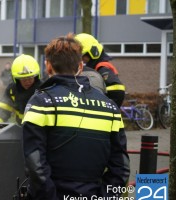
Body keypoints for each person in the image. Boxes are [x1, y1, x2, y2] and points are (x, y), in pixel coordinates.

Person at [22, 33, 130, 200]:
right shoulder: (110, 107)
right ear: (81, 66)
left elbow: (35, 164)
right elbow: (121, 167)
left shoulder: (40, 102)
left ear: (48, 66)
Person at [75, 33, 125, 107]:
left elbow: (118, 90)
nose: (81, 60)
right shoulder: (95, 68)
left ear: (93, 52)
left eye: (83, 56)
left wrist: (108, 108)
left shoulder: (102, 68)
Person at [0, 54, 42, 125]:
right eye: (23, 79)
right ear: (16, 79)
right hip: (20, 129)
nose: (27, 81)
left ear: (36, 76)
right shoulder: (12, 90)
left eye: (30, 77)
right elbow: (3, 109)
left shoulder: (43, 90)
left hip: (39, 131)